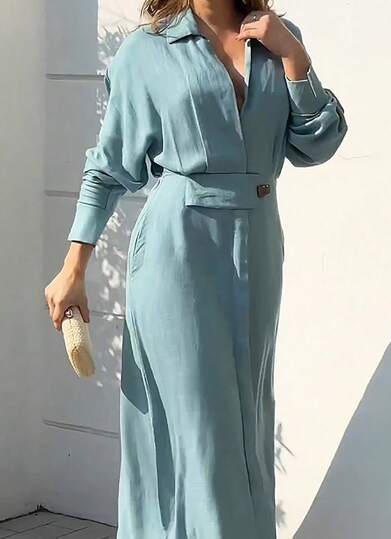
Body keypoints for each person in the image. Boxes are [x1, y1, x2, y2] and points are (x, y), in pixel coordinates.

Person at [44, 1, 348, 537]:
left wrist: (294, 58)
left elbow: (317, 143)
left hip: (258, 250)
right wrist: (73, 266)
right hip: (176, 255)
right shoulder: (147, 51)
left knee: (246, 424)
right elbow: (109, 167)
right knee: (199, 430)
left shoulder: (277, 39)